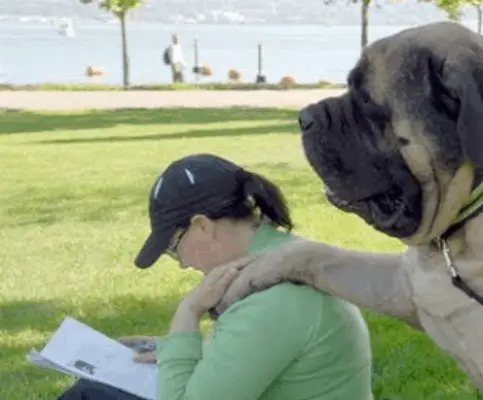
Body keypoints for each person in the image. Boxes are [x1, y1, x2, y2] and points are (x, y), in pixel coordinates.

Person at [57, 153, 374, 400]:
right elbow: (257, 355)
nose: (181, 264)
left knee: (90, 395)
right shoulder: (283, 259)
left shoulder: (272, 300)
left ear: (202, 227)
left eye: (173, 247)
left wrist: (188, 313)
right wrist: (175, 350)